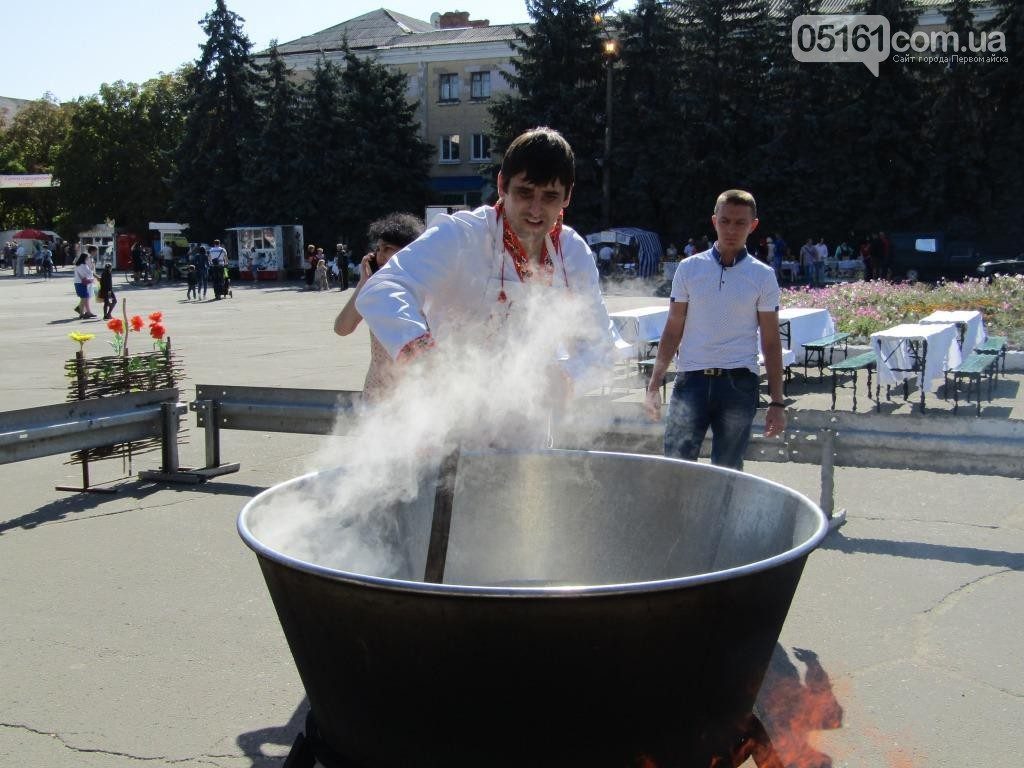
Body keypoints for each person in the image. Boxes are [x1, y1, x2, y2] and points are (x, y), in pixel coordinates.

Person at [355, 126, 616, 404]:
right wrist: (421, 354)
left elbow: (600, 346)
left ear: (567, 196)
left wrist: (569, 378)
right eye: (525, 193)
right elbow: (382, 288)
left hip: (526, 422)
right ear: (502, 185)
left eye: (549, 196)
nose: (536, 211)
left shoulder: (573, 253)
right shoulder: (460, 235)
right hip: (447, 413)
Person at [643, 189, 785, 471]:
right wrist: (654, 382)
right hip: (691, 380)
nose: (731, 229)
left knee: (728, 473)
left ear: (753, 225)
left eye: (740, 223)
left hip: (738, 383)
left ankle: (720, 517)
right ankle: (677, 517)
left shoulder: (763, 276)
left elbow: (770, 342)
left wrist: (778, 402)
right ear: (714, 221)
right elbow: (673, 330)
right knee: (675, 467)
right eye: (725, 221)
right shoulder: (689, 269)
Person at [335, 214, 426, 403]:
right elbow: (342, 328)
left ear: (409, 251)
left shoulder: (425, 289)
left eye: (388, 249)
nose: (380, 256)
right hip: (376, 395)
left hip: (415, 400)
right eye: (378, 249)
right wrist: (363, 283)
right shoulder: (376, 291)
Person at [73, 249, 97, 319]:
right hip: (81, 283)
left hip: (79, 282)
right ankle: (81, 313)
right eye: (87, 258)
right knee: (84, 298)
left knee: (84, 298)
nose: (87, 259)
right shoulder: (82, 265)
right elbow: (87, 273)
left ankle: (83, 312)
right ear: (84, 258)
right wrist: (91, 270)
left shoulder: (79, 265)